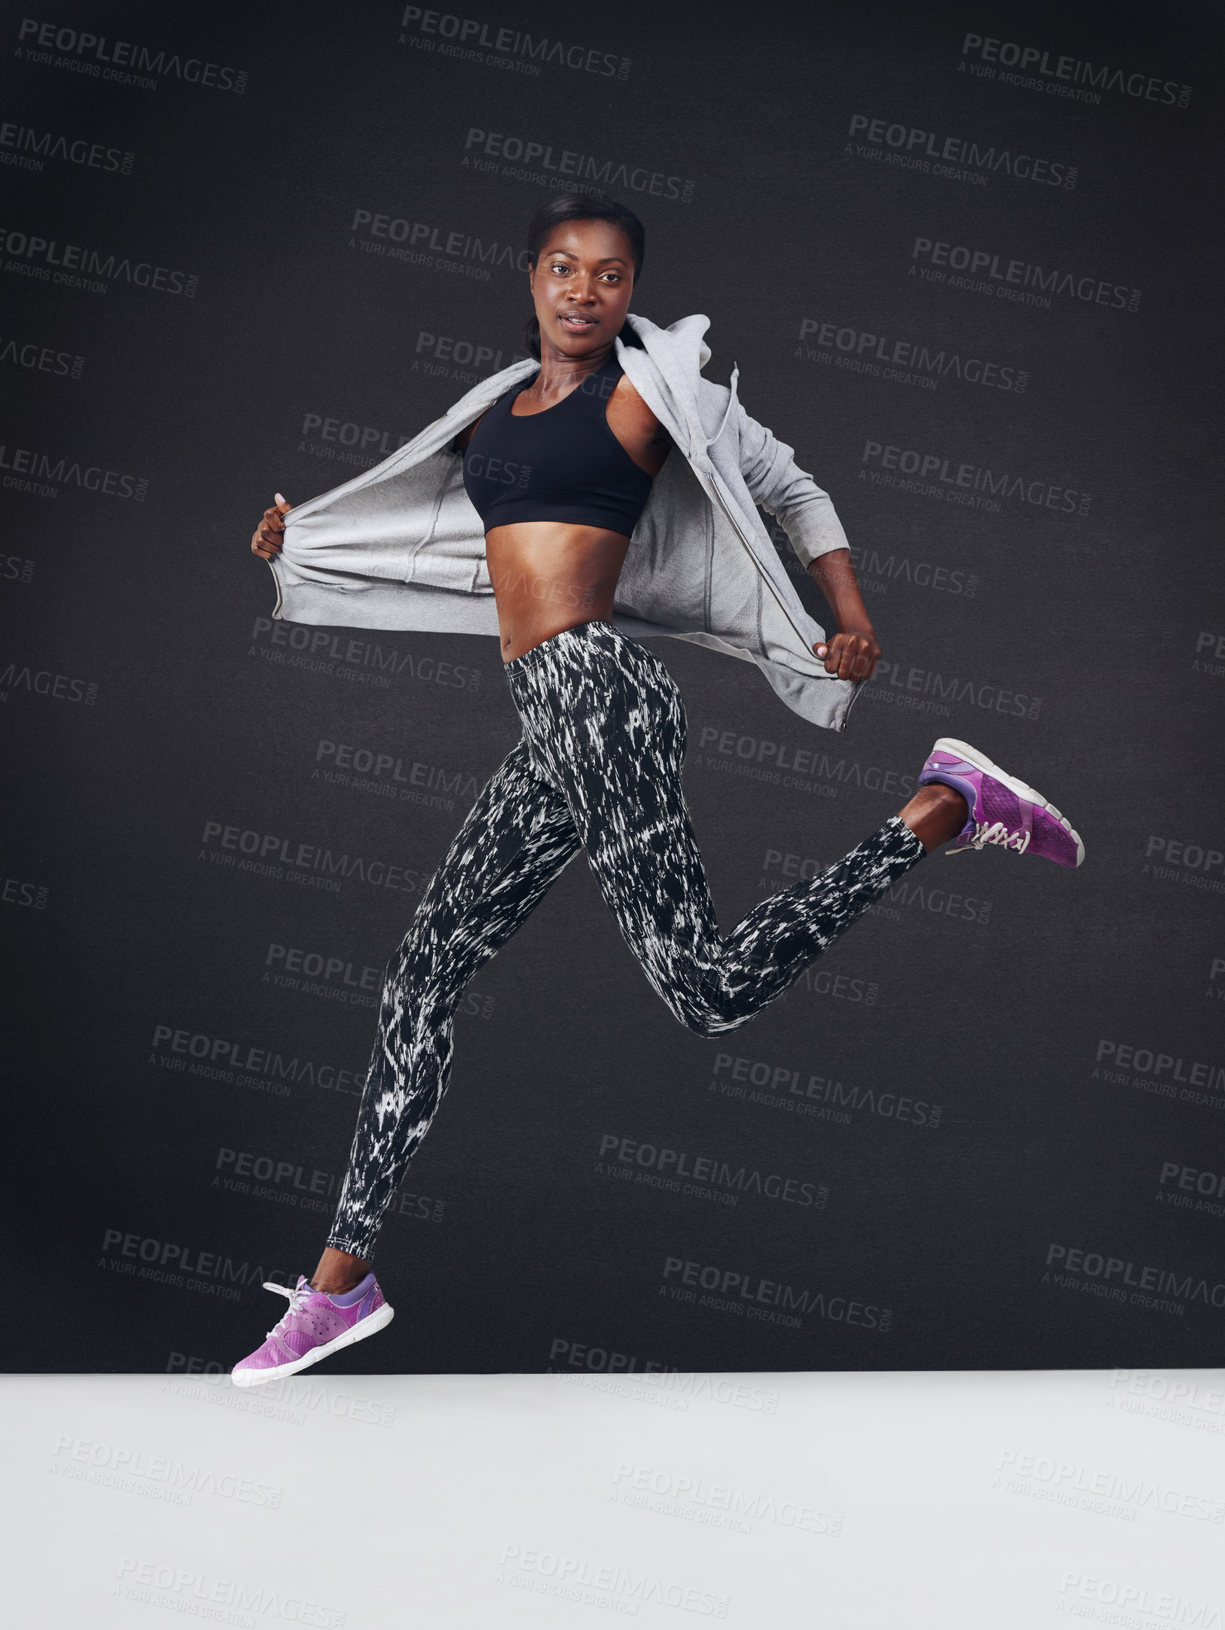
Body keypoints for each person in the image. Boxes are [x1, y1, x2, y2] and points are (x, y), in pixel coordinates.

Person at [231, 190, 1082, 1387]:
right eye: (566, 268)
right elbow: (423, 533)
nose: (586, 290)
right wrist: (303, 543)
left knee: (706, 993)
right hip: (548, 711)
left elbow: (791, 491)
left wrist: (848, 613)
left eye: (612, 274)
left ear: (633, 292)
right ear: (529, 276)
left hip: (601, 696)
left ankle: (942, 805)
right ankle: (340, 1284)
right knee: (421, 973)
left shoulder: (649, 395)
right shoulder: (493, 410)